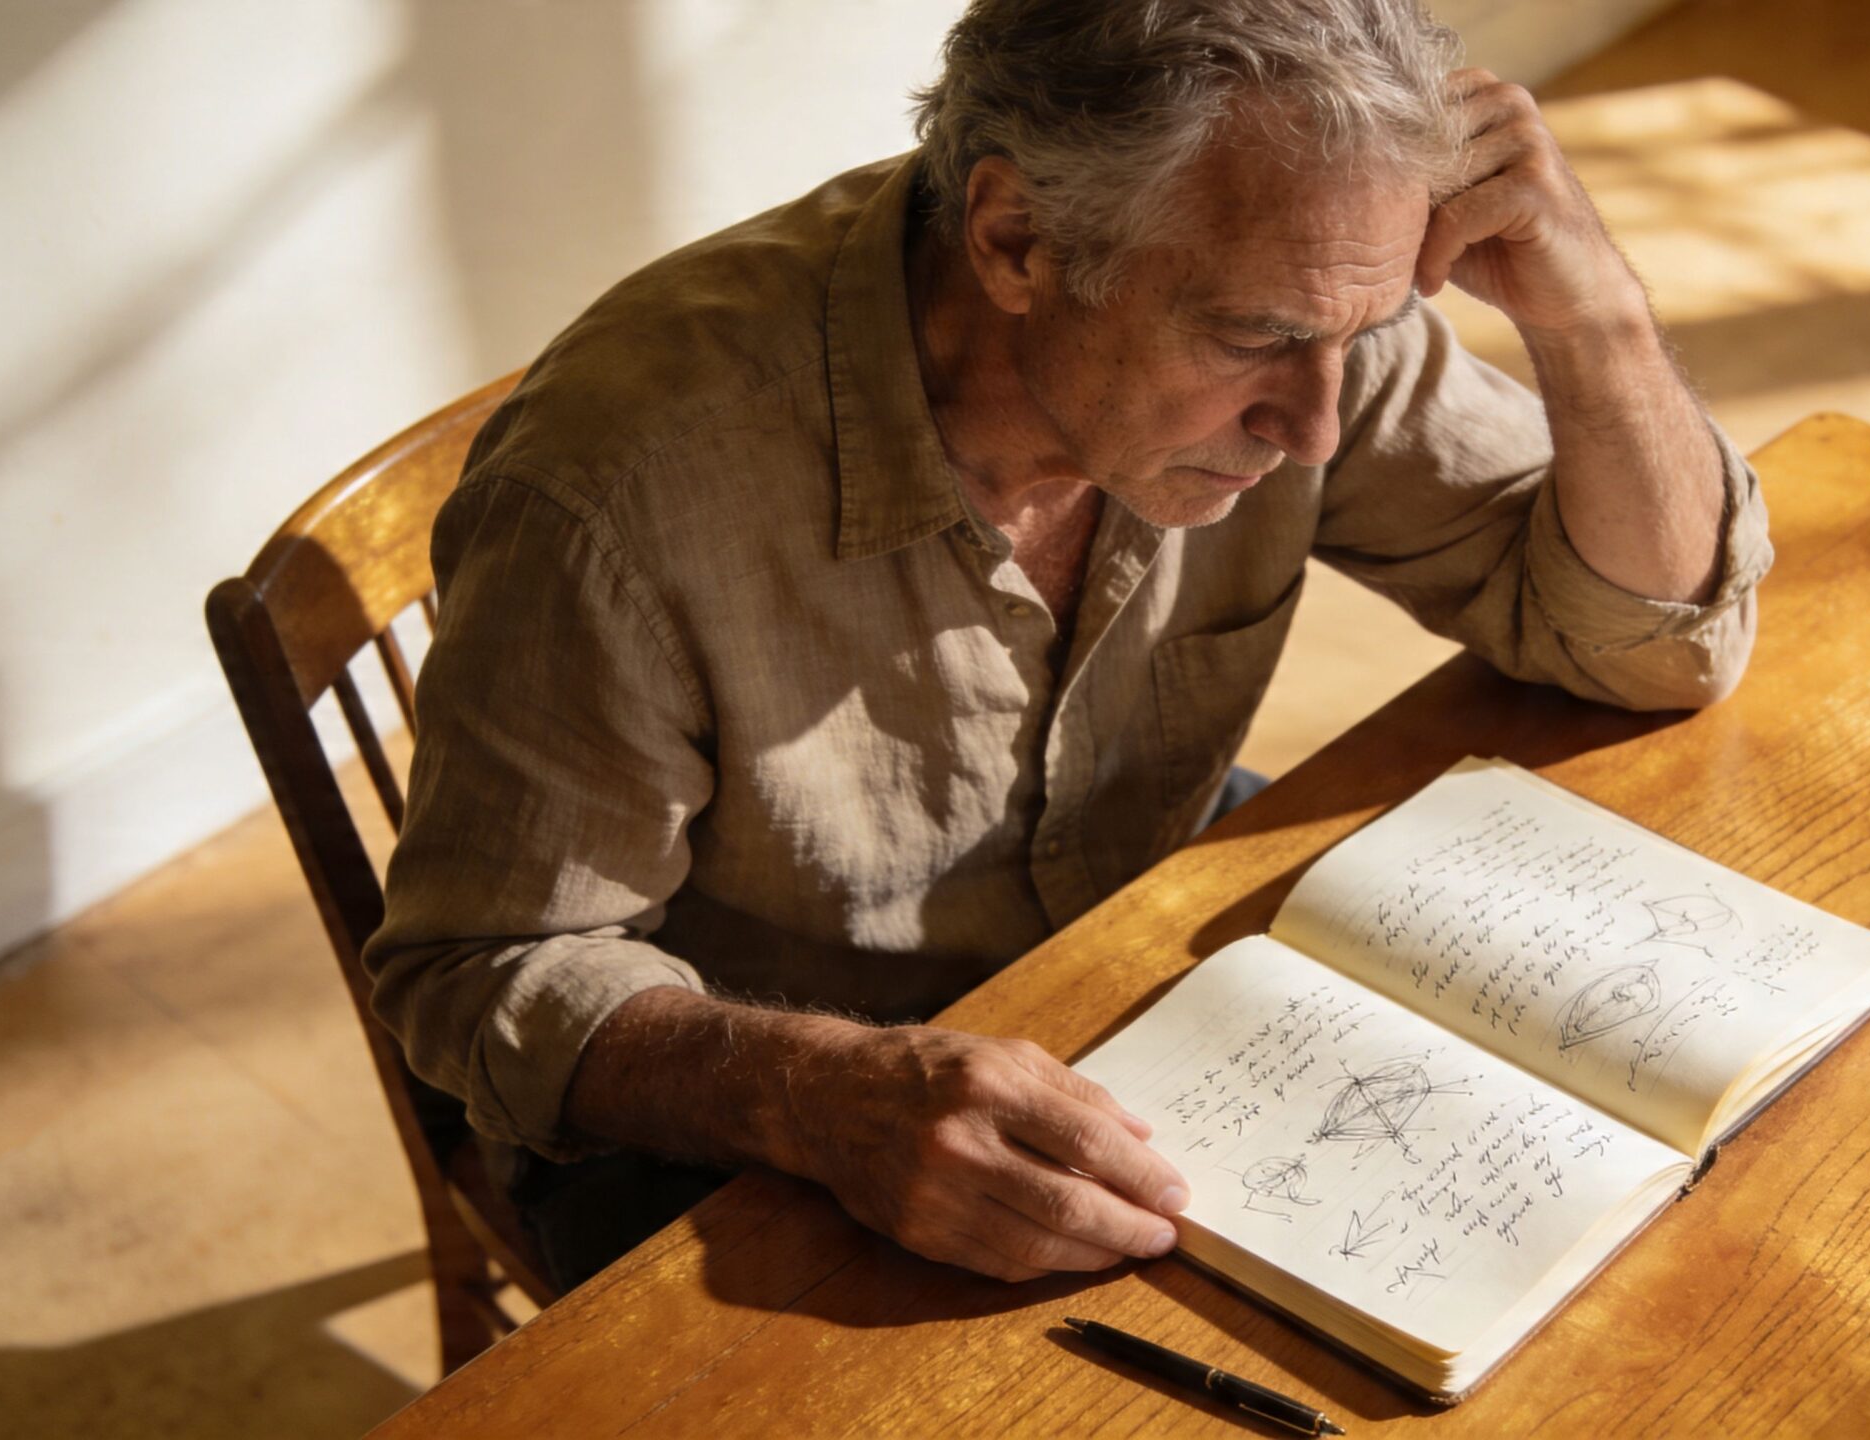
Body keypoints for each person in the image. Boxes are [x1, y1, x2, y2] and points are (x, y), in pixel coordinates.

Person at [364, 0, 1774, 1293]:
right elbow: (481, 969)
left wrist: (1598, 315)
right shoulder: (617, 499)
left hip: (1121, 954)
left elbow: (1651, 643)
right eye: (1257, 338)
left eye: (1364, 329)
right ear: (1015, 243)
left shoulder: (1306, 293)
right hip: (740, 1104)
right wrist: (817, 1090)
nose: (1319, 426)